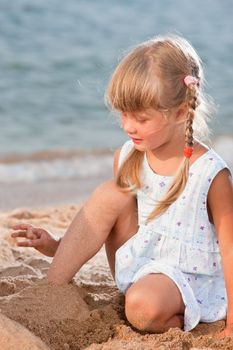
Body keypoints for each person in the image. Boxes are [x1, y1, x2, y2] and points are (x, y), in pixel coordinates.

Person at [12, 35, 233, 337]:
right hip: (138, 266)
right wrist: (58, 247)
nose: (128, 126)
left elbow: (229, 247)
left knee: (142, 308)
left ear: (181, 112)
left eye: (141, 118)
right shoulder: (128, 154)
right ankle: (51, 290)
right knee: (110, 193)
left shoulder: (210, 174)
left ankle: (183, 318)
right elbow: (108, 222)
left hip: (188, 278)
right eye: (123, 114)